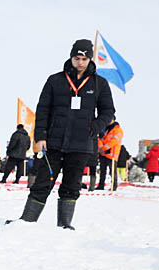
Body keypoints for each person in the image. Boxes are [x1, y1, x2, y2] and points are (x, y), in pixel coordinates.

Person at [7, 38, 114, 229]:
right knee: (42, 183)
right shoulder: (55, 80)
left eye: (84, 58)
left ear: (90, 59)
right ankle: (26, 222)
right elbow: (42, 111)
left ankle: (64, 225)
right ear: (71, 57)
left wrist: (95, 127)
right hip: (53, 144)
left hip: (82, 145)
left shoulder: (100, 84)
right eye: (76, 57)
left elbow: (108, 112)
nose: (80, 62)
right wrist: (40, 137)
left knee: (71, 186)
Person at [95, 117, 123, 190]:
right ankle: (101, 185)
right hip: (103, 153)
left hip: (112, 154)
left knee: (112, 171)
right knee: (102, 171)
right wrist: (101, 148)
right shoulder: (105, 129)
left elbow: (114, 141)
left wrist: (103, 148)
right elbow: (100, 139)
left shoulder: (118, 130)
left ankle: (113, 186)